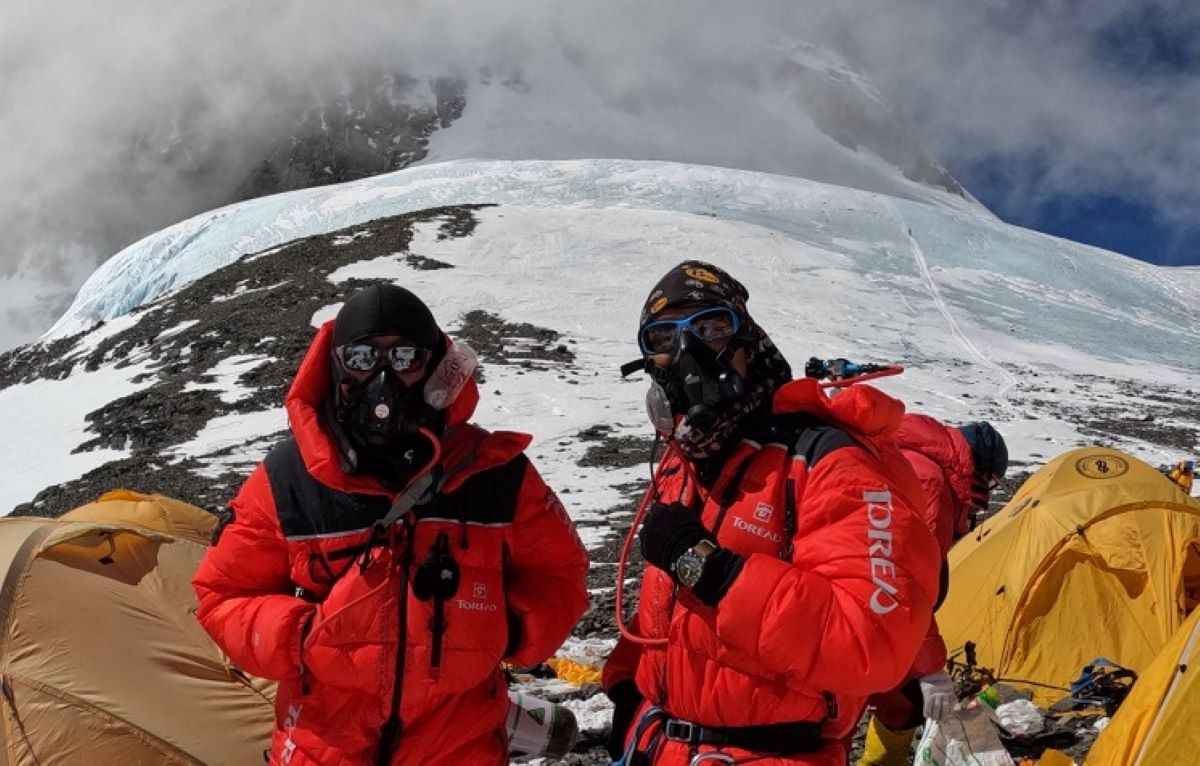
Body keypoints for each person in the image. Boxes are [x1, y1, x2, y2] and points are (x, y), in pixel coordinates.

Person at [193, 283, 590, 766]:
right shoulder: (290, 478)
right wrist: (299, 637)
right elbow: (223, 594)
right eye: (362, 358)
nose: (383, 376)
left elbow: (561, 574)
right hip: (323, 750)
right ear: (336, 367)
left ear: (439, 368)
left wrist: (506, 629)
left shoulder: (494, 473)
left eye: (404, 357)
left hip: (460, 748)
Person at [603, 261, 942, 765]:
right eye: (662, 337)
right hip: (660, 745)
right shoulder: (687, 464)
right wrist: (632, 688)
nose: (688, 353)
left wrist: (712, 571)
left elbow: (870, 641)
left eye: (711, 327)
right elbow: (673, 612)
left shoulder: (827, 460)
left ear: (749, 340)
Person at [857, 415, 1009, 766]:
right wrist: (930, 668)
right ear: (979, 467)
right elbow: (905, 580)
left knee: (865, 701)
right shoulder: (930, 483)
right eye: (991, 480)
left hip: (869, 609)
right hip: (877, 615)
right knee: (903, 703)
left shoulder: (919, 463)